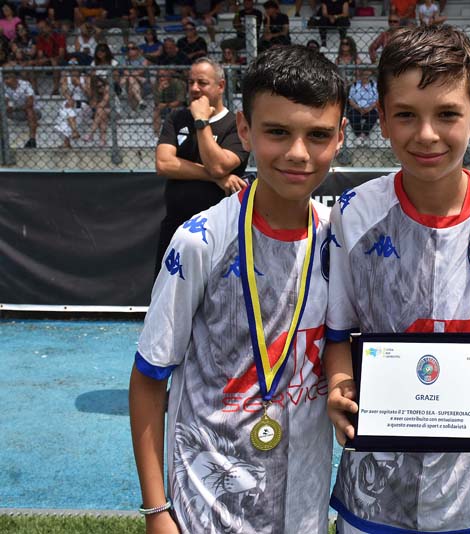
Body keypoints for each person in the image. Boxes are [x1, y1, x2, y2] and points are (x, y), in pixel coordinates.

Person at [325, 24, 470, 534]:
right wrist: (341, 385)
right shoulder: (352, 215)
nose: (427, 134)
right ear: (382, 119)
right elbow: (337, 336)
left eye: (447, 114)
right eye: (406, 114)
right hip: (374, 499)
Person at [130, 45, 346, 534]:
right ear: (245, 130)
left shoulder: (339, 240)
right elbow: (148, 377)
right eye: (277, 132)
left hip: (302, 511)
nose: (297, 152)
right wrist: (156, 511)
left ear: (339, 137)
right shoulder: (200, 241)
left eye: (317, 135)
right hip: (205, 510)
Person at [153, 57, 250, 274]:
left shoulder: (236, 125)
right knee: (167, 292)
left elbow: (219, 166)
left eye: (202, 83)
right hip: (176, 228)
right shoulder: (176, 118)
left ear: (221, 86)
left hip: (219, 232)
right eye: (191, 82)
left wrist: (201, 121)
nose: (195, 88)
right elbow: (164, 163)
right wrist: (215, 178)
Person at [4, 70, 40, 148]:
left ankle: (32, 140)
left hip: (34, 111)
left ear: (14, 78)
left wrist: (14, 108)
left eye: (8, 78)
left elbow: (30, 103)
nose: (6, 81)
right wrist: (7, 107)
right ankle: (3, 140)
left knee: (29, 110)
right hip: (18, 112)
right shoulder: (5, 87)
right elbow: (5, 103)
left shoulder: (25, 84)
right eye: (5, 78)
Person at [347, 67, 379, 140]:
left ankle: (364, 134)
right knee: (353, 115)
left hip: (370, 108)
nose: (365, 75)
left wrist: (369, 108)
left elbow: (377, 100)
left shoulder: (374, 85)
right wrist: (358, 108)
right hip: (357, 108)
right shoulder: (355, 85)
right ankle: (358, 134)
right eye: (363, 73)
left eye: (367, 73)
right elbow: (350, 99)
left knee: (373, 115)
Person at [152, 69, 186, 135]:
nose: (161, 78)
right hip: (163, 107)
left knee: (175, 110)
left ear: (169, 76)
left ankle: (176, 132)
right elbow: (156, 102)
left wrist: (167, 105)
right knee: (156, 110)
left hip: (176, 106)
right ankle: (156, 134)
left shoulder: (178, 83)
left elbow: (180, 101)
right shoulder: (157, 84)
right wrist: (160, 89)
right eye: (159, 76)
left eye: (164, 76)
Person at [119, 41, 149, 112]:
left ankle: (133, 110)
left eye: (133, 48)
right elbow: (125, 71)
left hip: (142, 84)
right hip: (130, 82)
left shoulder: (143, 60)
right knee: (131, 80)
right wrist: (137, 76)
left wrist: (134, 75)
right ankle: (140, 101)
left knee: (130, 83)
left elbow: (139, 72)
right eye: (128, 49)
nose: (130, 50)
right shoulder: (123, 59)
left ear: (137, 50)